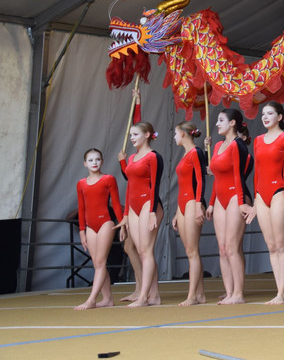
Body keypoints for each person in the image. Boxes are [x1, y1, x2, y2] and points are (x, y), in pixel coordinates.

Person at [246, 101, 284, 305]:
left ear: (280, 117)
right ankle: (278, 291)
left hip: (278, 192)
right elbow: (257, 172)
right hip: (261, 195)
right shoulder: (258, 140)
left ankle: (282, 293)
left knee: (281, 244)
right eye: (263, 114)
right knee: (271, 245)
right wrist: (256, 201)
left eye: (270, 113)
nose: (265, 117)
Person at [206, 109, 251, 305]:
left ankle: (238, 294)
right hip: (220, 198)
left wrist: (241, 202)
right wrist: (210, 203)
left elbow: (238, 176)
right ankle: (229, 291)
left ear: (233, 123)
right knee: (223, 248)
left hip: (235, 196)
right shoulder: (217, 145)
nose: (217, 123)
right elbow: (216, 177)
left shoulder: (237, 145)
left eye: (221, 120)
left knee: (232, 247)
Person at [117, 121, 163, 308]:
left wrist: (152, 212)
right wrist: (126, 214)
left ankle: (144, 297)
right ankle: (154, 295)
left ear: (147, 135)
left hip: (148, 204)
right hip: (134, 206)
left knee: (146, 251)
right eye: (130, 135)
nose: (132, 138)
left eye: (135, 134)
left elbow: (155, 185)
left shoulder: (153, 156)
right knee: (140, 250)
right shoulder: (132, 158)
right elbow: (130, 185)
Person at [74, 149, 123, 310]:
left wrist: (122, 224)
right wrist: (82, 231)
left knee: (101, 262)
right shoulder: (81, 183)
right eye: (90, 160)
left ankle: (91, 299)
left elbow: (116, 204)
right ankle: (107, 299)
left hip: (105, 223)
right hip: (90, 226)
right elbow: (81, 208)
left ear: (102, 161)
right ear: (85, 163)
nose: (94, 163)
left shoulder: (108, 179)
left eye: (97, 159)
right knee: (97, 263)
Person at [172, 122, 207, 306]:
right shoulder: (186, 154)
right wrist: (177, 213)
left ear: (184, 134)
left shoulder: (195, 152)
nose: (175, 137)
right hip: (183, 203)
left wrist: (199, 205)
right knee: (189, 251)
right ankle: (199, 294)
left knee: (192, 251)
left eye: (176, 133)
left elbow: (200, 180)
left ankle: (192, 295)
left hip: (193, 201)